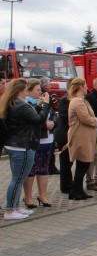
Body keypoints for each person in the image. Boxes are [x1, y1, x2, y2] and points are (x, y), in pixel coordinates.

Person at [1, 79, 51, 220]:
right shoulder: (21, 105)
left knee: (18, 178)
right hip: (22, 146)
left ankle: (16, 207)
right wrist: (46, 105)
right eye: (25, 90)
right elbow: (39, 120)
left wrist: (39, 106)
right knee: (17, 179)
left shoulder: (14, 104)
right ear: (20, 91)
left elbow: (30, 118)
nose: (26, 92)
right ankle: (10, 210)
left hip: (16, 145)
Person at [22, 78, 56, 209]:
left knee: (43, 167)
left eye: (40, 90)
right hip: (34, 140)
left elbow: (53, 115)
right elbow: (35, 120)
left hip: (47, 139)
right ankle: (28, 196)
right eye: (37, 90)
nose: (39, 92)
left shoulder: (44, 102)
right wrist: (44, 124)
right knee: (31, 169)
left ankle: (43, 195)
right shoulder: (27, 104)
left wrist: (53, 123)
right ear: (28, 91)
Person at [67, 78, 97, 200]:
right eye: (85, 85)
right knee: (83, 164)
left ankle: (78, 190)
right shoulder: (78, 102)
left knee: (84, 164)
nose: (87, 88)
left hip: (84, 136)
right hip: (81, 137)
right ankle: (75, 191)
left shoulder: (80, 100)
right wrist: (96, 121)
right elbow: (85, 118)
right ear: (80, 87)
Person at [54, 78, 75, 193]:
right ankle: (65, 186)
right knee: (65, 161)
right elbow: (63, 117)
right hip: (64, 134)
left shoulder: (73, 99)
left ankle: (69, 183)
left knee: (69, 161)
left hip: (71, 133)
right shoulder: (64, 100)